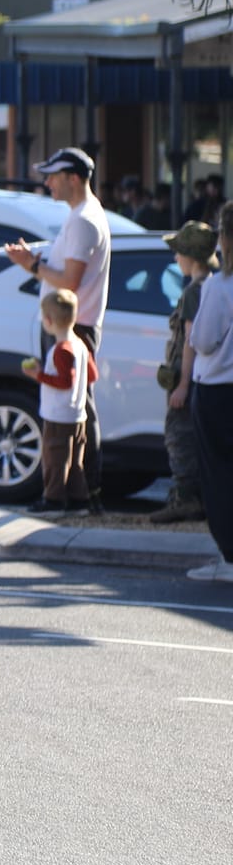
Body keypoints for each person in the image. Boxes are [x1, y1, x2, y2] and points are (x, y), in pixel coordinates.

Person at [4, 147, 110, 507]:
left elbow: (69, 281)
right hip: (73, 324)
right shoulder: (82, 215)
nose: (47, 182)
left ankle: (74, 493)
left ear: (74, 179)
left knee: (70, 415)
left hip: (72, 325)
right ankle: (78, 491)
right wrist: (33, 260)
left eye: (53, 176)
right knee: (75, 411)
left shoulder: (83, 219)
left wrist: (30, 265)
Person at [147, 221, 217, 524]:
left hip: (185, 377)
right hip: (204, 379)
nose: (176, 259)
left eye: (179, 253)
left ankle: (185, 500)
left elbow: (191, 341)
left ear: (192, 257)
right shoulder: (214, 286)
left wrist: (182, 385)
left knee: (179, 437)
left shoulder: (194, 292)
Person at [184, 202, 233, 582]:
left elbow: (201, 339)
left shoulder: (220, 285)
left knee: (218, 476)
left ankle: (228, 556)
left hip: (218, 388)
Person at [24, 289, 97, 515]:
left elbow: (65, 381)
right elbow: (92, 375)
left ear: (48, 320)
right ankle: (79, 500)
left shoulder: (61, 349)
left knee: (55, 459)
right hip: (78, 414)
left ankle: (53, 499)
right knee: (75, 460)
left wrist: (39, 375)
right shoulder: (80, 344)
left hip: (58, 414)